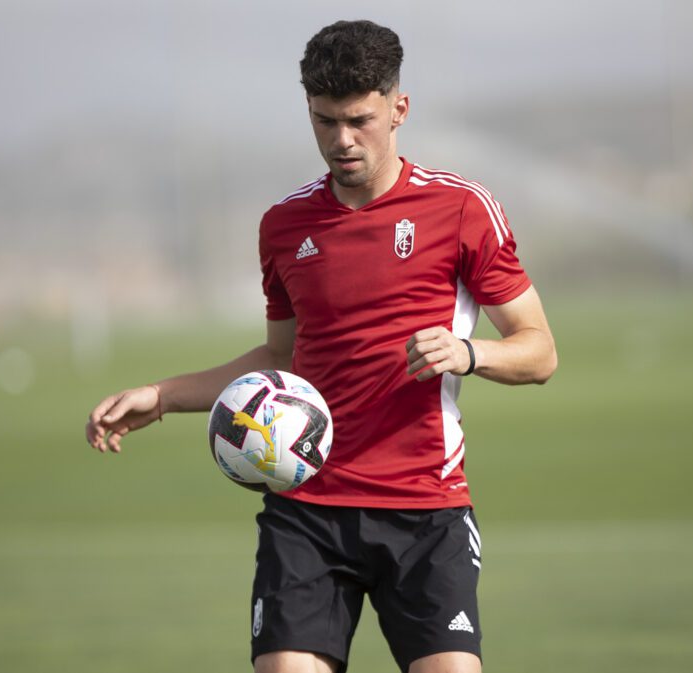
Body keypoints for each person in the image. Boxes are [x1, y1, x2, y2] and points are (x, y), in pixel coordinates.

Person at [85, 19, 557, 673]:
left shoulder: (461, 209)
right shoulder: (284, 226)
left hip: (425, 507)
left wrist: (469, 353)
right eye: (324, 120)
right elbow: (282, 357)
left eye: (359, 119)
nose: (341, 140)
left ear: (399, 109)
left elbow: (539, 351)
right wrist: (163, 395)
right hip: (306, 507)